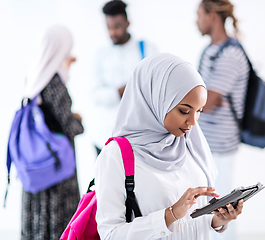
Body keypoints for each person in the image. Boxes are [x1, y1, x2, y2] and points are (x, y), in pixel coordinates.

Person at [94, 53, 244, 239]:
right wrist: (170, 214)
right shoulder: (115, 156)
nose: (193, 122)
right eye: (184, 110)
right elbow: (110, 234)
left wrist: (218, 221)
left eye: (199, 111)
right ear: (155, 98)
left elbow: (190, 220)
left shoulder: (189, 146)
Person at [21, 25, 84, 240]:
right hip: (57, 170)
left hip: (38, 166)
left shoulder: (33, 78)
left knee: (39, 221)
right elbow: (68, 126)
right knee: (59, 224)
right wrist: (78, 121)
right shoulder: (54, 82)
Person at [196, 1, 250, 239]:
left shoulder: (230, 54)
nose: (196, 21)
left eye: (199, 15)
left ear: (212, 16)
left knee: (224, 210)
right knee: (209, 211)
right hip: (207, 146)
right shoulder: (211, 50)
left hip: (220, 147)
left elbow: (208, 102)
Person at [90, 0, 156, 155]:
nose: (113, 32)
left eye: (117, 27)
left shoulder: (147, 50)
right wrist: (120, 91)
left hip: (139, 138)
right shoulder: (100, 55)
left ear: (128, 23)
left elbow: (157, 87)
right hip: (105, 138)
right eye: (109, 28)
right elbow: (94, 94)